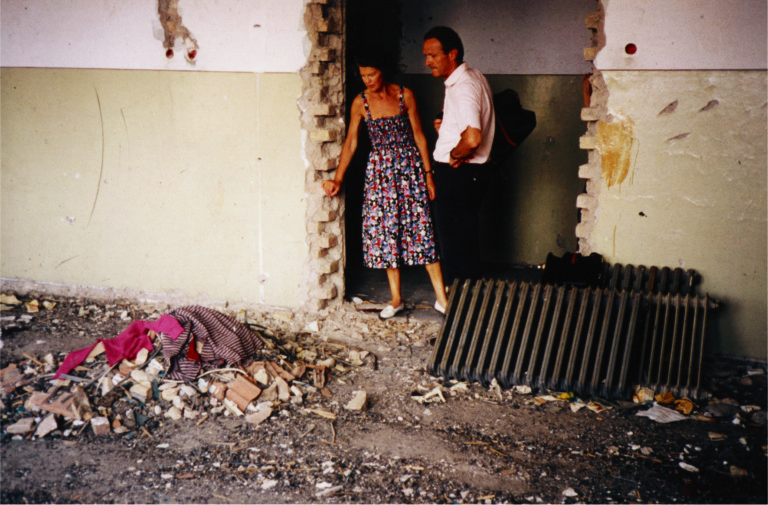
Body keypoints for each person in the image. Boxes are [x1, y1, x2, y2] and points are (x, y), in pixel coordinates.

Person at [322, 54, 449, 319]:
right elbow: (351, 142)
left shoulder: (405, 95)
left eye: (371, 74)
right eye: (363, 75)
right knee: (387, 232)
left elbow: (419, 135)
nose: (367, 80)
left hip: (409, 170)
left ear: (383, 71)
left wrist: (428, 174)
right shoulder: (361, 102)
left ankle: (441, 299)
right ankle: (396, 298)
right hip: (380, 174)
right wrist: (338, 178)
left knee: (422, 229)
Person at [423, 26, 496, 284]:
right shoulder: (472, 77)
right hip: (468, 174)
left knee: (456, 244)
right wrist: (447, 128)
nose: (427, 62)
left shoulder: (464, 86)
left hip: (458, 173)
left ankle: (460, 298)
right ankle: (467, 295)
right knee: (462, 239)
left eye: (433, 55)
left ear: (452, 54)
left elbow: (473, 138)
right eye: (426, 55)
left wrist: (454, 154)